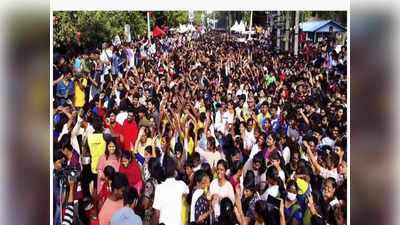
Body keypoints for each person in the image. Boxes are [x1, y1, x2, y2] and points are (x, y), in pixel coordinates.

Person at [152, 157, 189, 225]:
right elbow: (187, 191)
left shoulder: (159, 188)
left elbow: (157, 213)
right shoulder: (181, 184)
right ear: (175, 172)